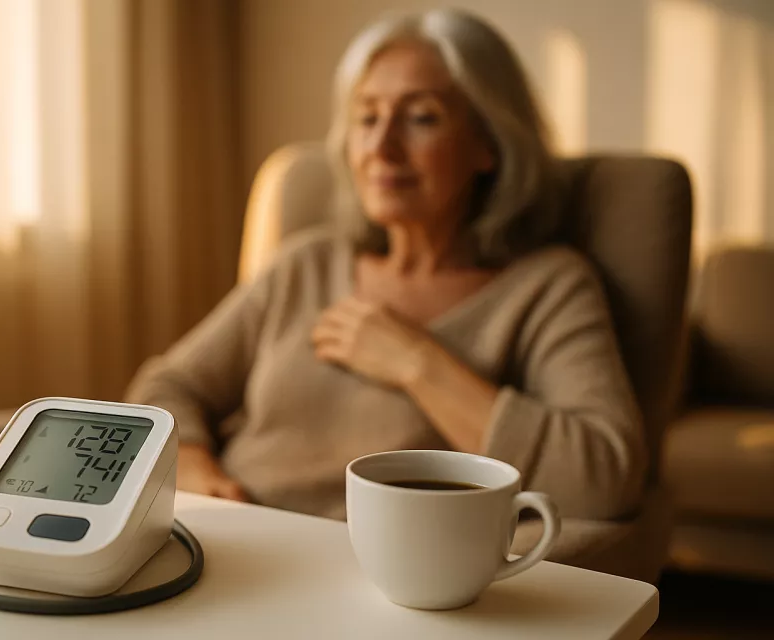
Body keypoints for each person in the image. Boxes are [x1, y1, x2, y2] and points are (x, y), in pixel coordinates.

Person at [126, 9, 647, 562]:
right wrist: (198, 467)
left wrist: (417, 363)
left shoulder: (547, 287)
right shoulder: (305, 263)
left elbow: (606, 473)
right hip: (225, 549)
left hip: (366, 575)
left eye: (421, 118)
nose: (382, 146)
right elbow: (167, 386)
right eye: (367, 117)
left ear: (488, 144)